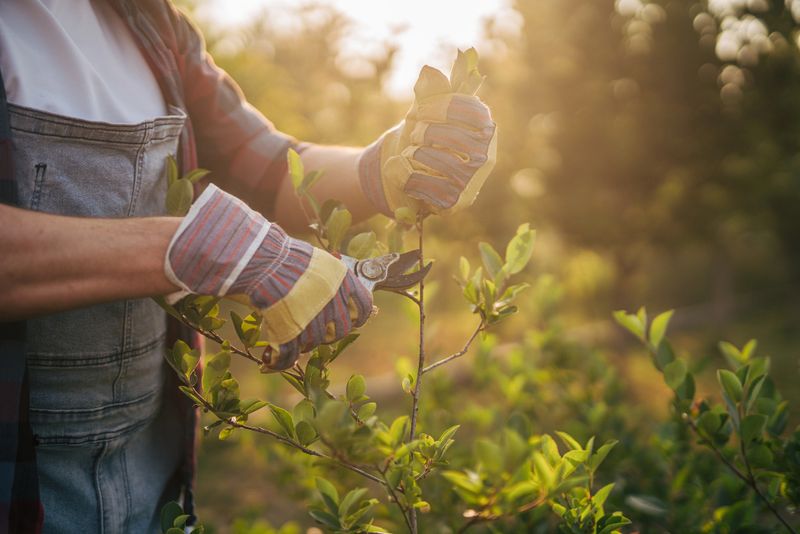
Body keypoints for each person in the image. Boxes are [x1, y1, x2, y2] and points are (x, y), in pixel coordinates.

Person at [0, 0, 497, 532]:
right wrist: (200, 246)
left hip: (151, 483)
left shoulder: (151, 22)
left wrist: (383, 166)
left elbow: (262, 164)